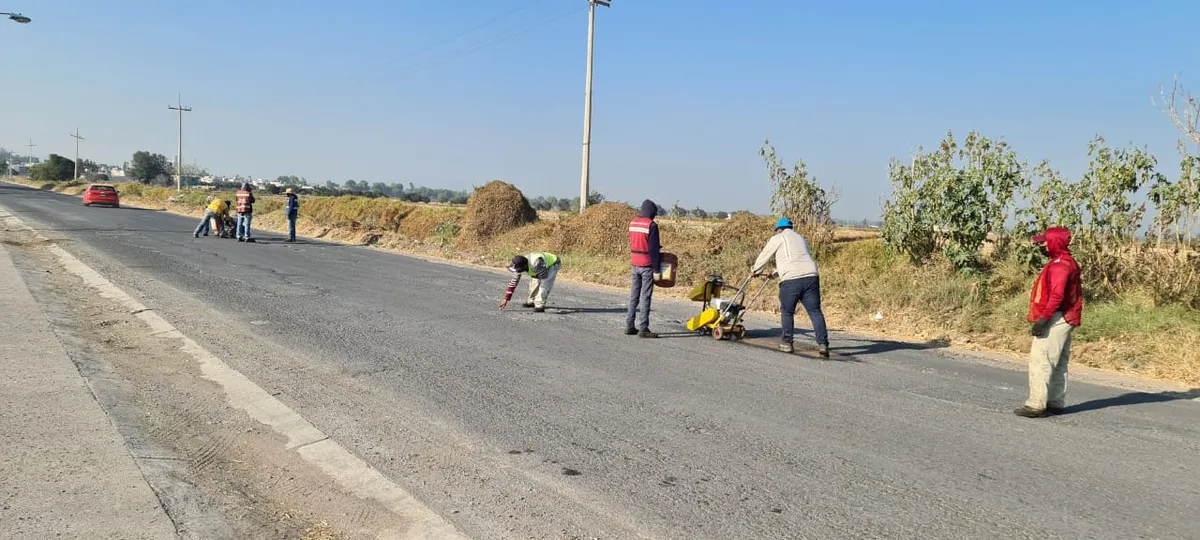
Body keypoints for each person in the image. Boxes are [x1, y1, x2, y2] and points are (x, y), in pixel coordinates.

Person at [1015, 226, 1083, 418]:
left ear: (1054, 242)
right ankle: (1055, 401)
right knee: (1059, 361)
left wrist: (1043, 320)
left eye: (1045, 241)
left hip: (1057, 317)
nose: (1043, 245)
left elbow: (1056, 295)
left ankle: (1036, 404)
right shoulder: (1068, 262)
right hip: (1067, 316)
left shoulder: (1060, 265)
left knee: (1041, 360)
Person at [751, 218, 830, 357]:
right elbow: (796, 260)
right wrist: (774, 273)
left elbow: (765, 254)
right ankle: (823, 344)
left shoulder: (778, 238)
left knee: (787, 311)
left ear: (779, 229)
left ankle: (787, 343)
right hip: (811, 277)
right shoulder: (801, 239)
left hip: (792, 281)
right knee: (815, 312)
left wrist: (755, 270)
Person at [625, 199, 662, 338]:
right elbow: (653, 250)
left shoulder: (633, 223)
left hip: (634, 264)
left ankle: (629, 325)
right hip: (646, 266)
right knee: (645, 297)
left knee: (634, 296)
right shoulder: (651, 225)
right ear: (652, 212)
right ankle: (643, 328)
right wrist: (657, 270)